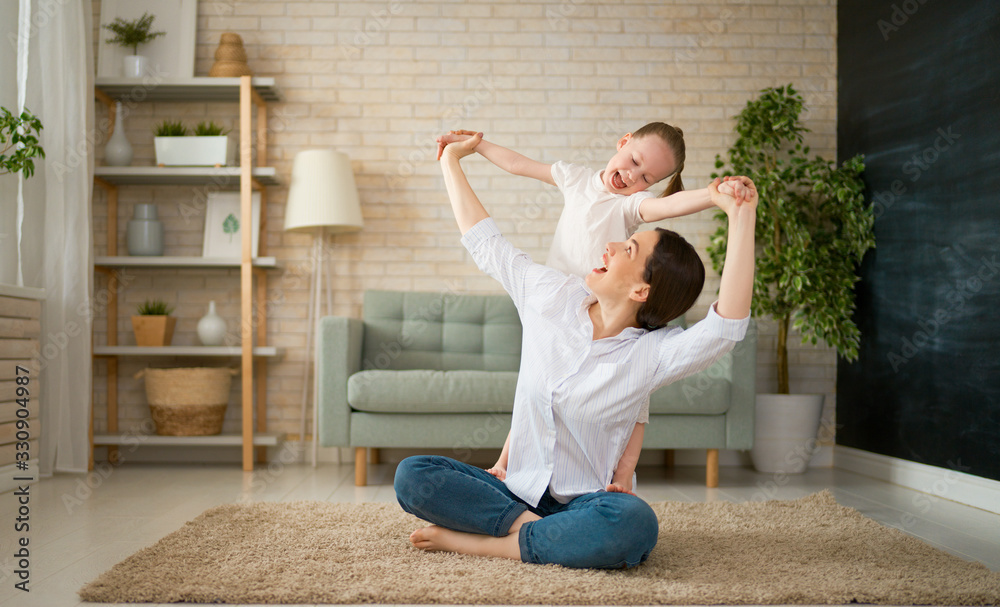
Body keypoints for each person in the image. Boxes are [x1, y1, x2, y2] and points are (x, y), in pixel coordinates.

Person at [392, 133, 758, 569]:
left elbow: (726, 326)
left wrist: (741, 215)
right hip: (514, 489)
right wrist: (451, 161)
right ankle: (536, 532)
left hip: (586, 505)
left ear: (642, 289)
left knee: (634, 522)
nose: (611, 245)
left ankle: (489, 542)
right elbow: (487, 243)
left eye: (629, 248)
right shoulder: (552, 296)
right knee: (414, 475)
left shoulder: (653, 354)